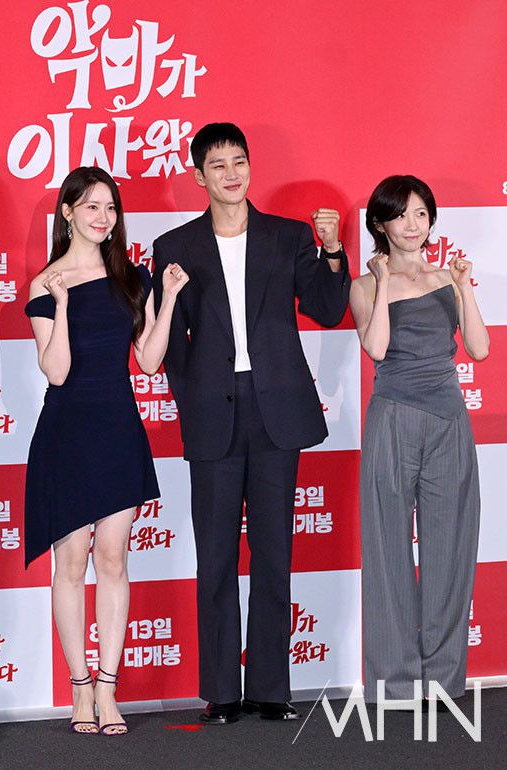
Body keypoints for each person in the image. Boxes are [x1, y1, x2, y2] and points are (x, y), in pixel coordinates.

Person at [152, 123, 351, 724]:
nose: (231, 173)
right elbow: (173, 342)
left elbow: (327, 308)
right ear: (199, 176)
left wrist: (333, 252)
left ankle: (270, 687)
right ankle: (221, 691)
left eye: (238, 161)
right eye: (218, 165)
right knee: (215, 556)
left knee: (273, 551)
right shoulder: (174, 246)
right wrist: (192, 402)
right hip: (214, 411)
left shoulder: (287, 236)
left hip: (276, 411)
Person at [24, 166, 188, 735]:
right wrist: (63, 305)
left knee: (114, 558)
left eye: (110, 207)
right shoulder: (45, 284)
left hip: (117, 426)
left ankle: (109, 689)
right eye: (91, 206)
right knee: (70, 561)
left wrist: (168, 298)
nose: (103, 217)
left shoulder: (131, 278)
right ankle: (80, 687)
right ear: (68, 212)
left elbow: (148, 360)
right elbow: (57, 371)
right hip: (67, 431)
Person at [350, 175, 489, 705]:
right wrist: (384, 281)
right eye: (401, 214)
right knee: (387, 548)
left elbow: (478, 349)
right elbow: (376, 349)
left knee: (450, 549)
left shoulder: (448, 277)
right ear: (380, 223)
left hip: (449, 420)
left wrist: (465, 287)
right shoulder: (364, 286)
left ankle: (443, 680)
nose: (413, 225)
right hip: (393, 418)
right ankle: (395, 682)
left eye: (421, 214)